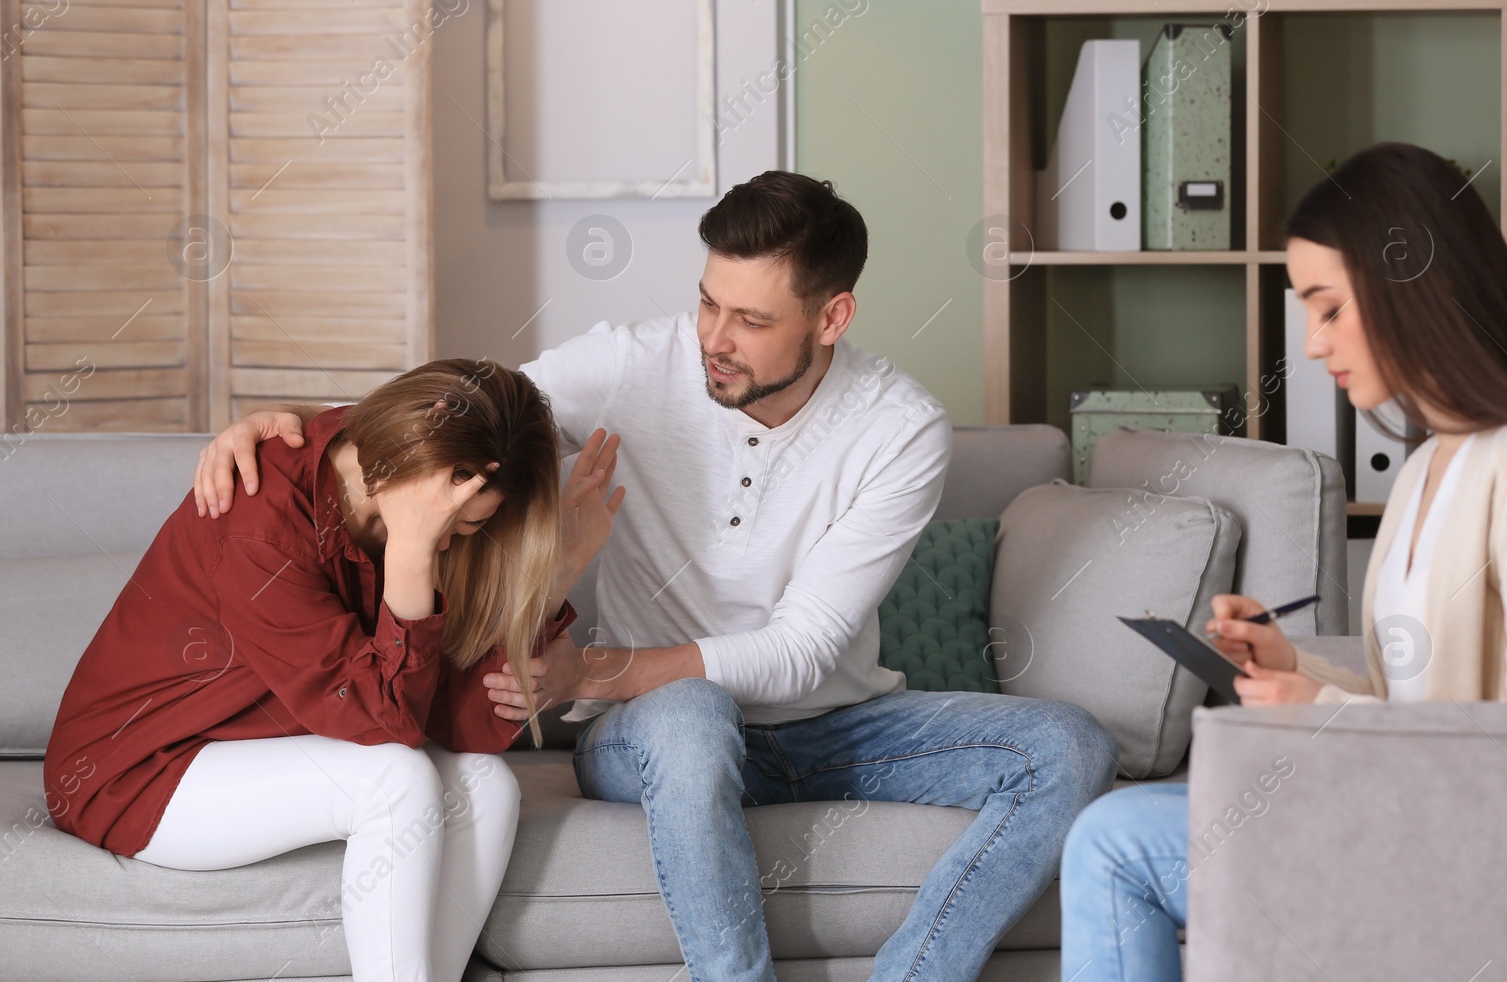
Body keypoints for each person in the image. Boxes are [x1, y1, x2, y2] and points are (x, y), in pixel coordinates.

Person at [194, 170, 1120, 982]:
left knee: (1069, 745)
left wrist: (589, 672)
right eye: (709, 301)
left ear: (833, 315)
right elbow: (463, 419)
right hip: (653, 736)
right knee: (690, 713)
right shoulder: (635, 362)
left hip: (834, 726)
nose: (715, 337)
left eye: (752, 319)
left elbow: (799, 653)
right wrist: (305, 427)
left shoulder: (899, 426)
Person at [1056, 142, 1507, 982]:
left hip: (1473, 860)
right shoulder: (1425, 470)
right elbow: (1406, 702)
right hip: (1401, 817)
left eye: (1329, 307)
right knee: (1116, 834)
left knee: (1116, 841)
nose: (1311, 344)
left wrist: (1318, 707)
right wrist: (1293, 665)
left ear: (1413, 285)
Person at [46, 359, 624, 982]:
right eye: (460, 522)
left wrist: (557, 569)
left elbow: (470, 726)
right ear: (414, 455)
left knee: (487, 786)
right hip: (139, 768)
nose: (458, 539)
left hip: (260, 743)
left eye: (473, 525)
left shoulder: (421, 487)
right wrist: (410, 550)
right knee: (395, 780)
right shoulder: (263, 521)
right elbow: (388, 722)